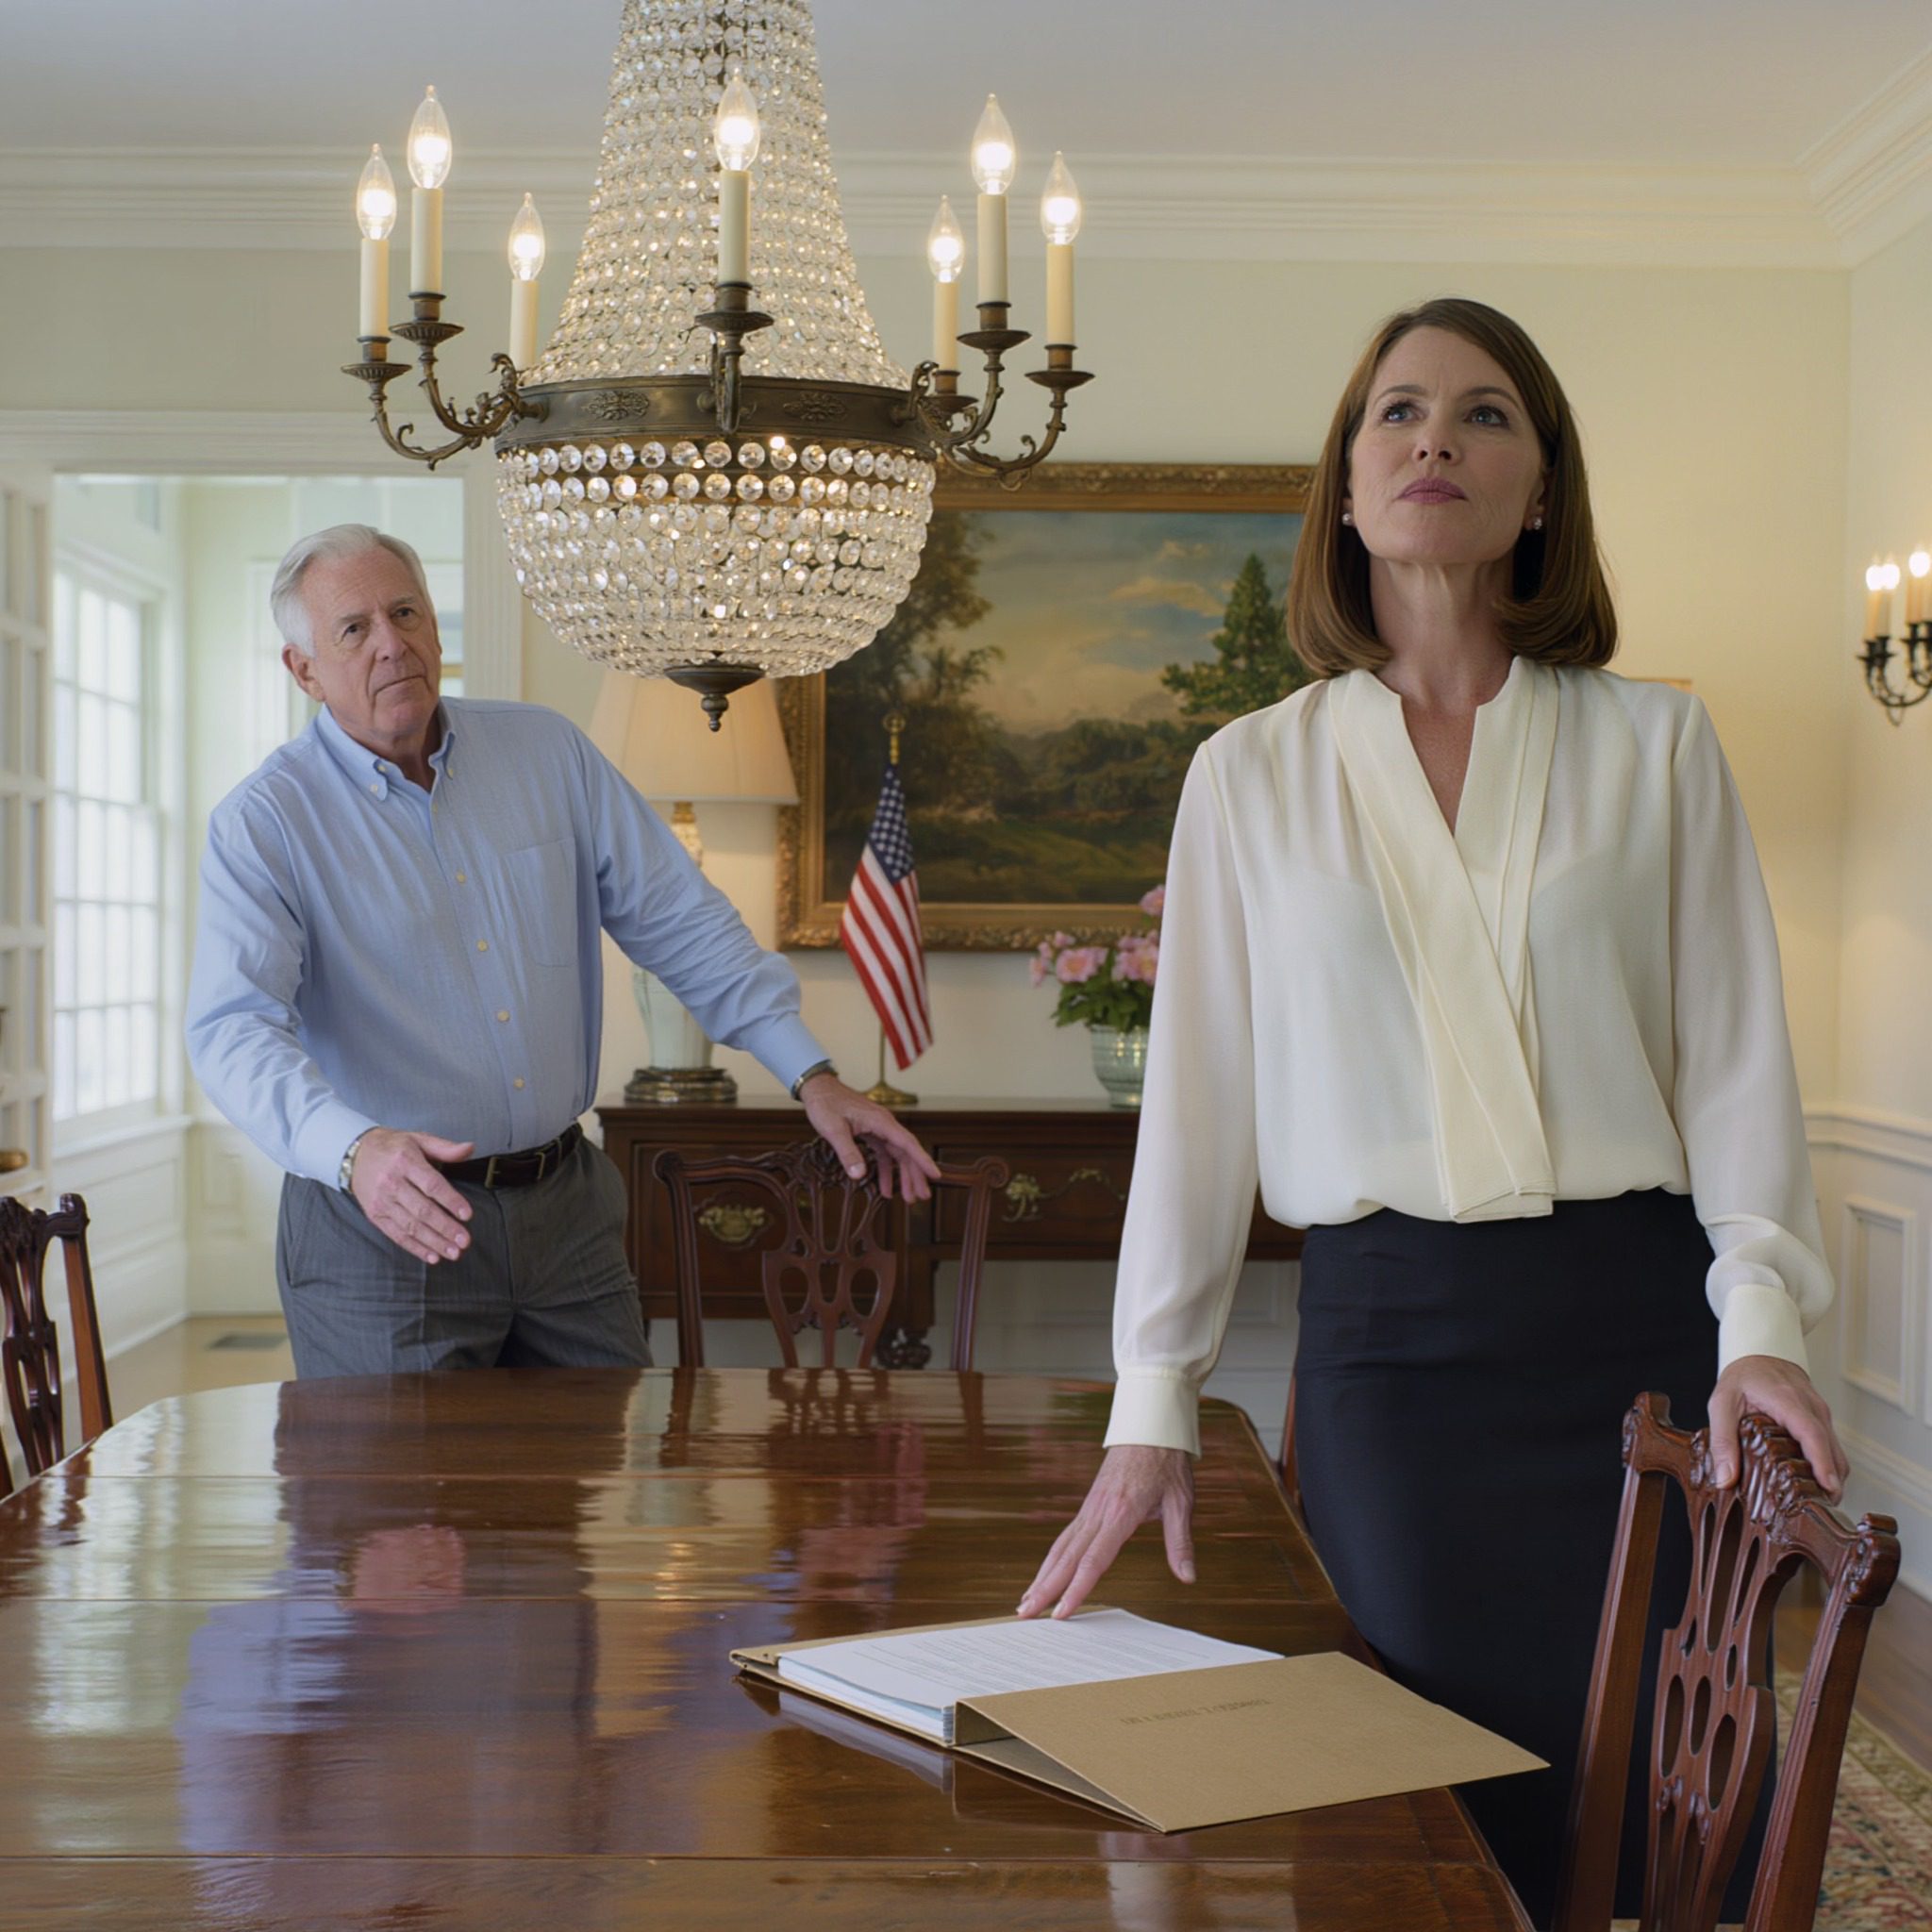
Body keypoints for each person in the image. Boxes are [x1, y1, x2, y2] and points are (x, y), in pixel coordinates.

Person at [1017, 298, 1848, 1925]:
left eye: (1483, 414)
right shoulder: (1248, 774)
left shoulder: (1658, 744)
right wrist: (1152, 1397)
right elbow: (1197, 1110)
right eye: (1395, 412)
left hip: (1633, 1340)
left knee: (1660, 1794)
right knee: (1411, 1817)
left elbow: (1737, 1061)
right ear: (1344, 486)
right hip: (1391, 1355)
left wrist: (1759, 1322)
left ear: (1538, 486)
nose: (1434, 441)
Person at [186, 523, 935, 1378]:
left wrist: (813, 1074)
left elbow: (681, 920)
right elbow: (232, 1031)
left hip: (567, 1216)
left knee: (603, 1462)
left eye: (406, 612)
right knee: (399, 1473)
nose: (392, 644)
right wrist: (355, 1152)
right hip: (384, 1228)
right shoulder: (266, 824)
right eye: (354, 629)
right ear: (305, 670)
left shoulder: (547, 752)